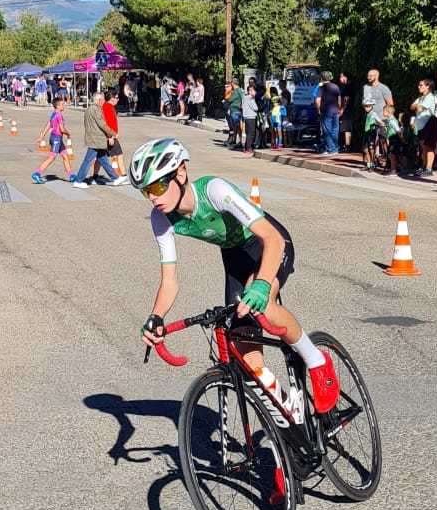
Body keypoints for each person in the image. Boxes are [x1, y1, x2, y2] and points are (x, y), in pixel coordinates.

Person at [127, 138, 338, 422]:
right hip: (235, 256)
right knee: (249, 362)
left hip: (269, 242)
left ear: (180, 174)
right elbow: (170, 280)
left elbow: (272, 238)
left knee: (263, 304)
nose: (152, 197)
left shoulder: (214, 190)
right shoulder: (161, 218)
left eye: (157, 187)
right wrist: (156, 317)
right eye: (145, 192)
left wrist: (263, 285)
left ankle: (317, 362)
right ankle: (289, 426)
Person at [71, 91, 117, 187]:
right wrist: (113, 133)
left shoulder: (89, 109)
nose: (104, 101)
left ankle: (115, 178)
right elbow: (102, 124)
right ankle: (78, 181)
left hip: (95, 139)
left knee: (103, 159)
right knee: (88, 161)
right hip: (96, 139)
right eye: (103, 99)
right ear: (99, 100)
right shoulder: (96, 109)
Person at [31, 99, 70, 183]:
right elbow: (62, 129)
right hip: (57, 138)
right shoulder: (59, 115)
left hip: (55, 138)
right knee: (52, 157)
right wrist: (68, 133)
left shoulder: (54, 114)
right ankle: (37, 173)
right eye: (62, 104)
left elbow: (48, 125)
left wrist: (42, 136)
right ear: (58, 106)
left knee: (64, 155)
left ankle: (71, 175)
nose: (64, 106)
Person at [410, 78, 437, 175]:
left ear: (428, 86)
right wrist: (417, 106)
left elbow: (419, 108)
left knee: (429, 147)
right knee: (423, 147)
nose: (419, 87)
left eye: (421, 85)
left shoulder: (430, 97)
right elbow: (412, 106)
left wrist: (417, 106)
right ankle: (424, 167)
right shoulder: (421, 98)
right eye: (419, 85)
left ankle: (429, 168)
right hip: (421, 126)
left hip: (429, 124)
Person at [317, 72, 342, 156]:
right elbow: (339, 99)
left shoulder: (321, 88)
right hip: (335, 111)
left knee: (327, 130)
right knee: (335, 130)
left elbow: (317, 100)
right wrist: (339, 108)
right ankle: (335, 148)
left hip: (326, 111)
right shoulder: (336, 86)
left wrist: (318, 109)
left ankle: (331, 149)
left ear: (322, 78)